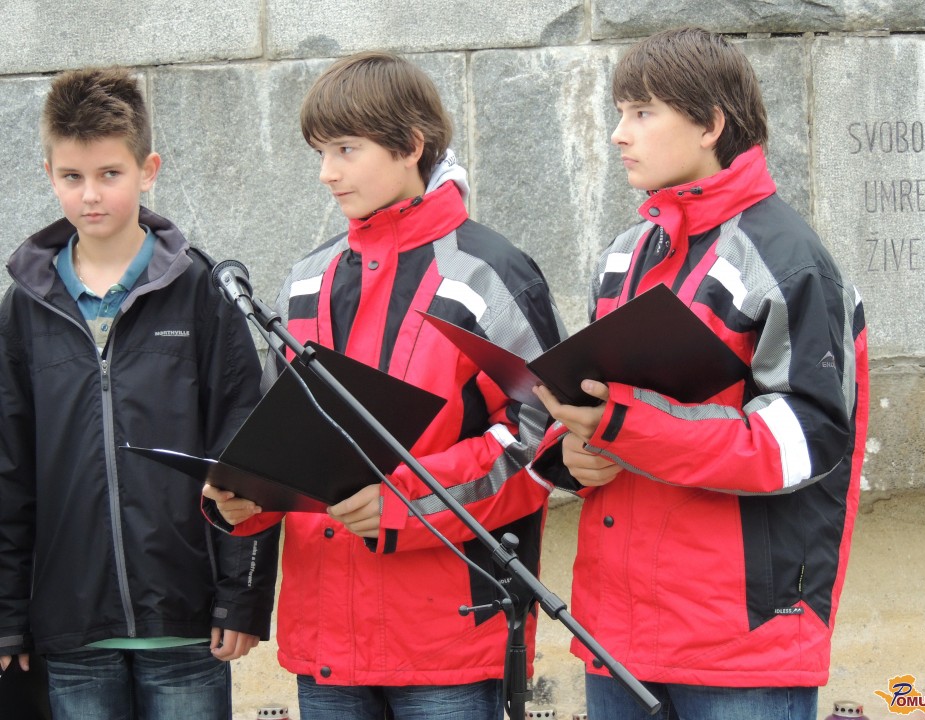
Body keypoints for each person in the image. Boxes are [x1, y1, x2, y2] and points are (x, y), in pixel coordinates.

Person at [202, 51, 565, 720]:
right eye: (320, 152)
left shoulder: (489, 274)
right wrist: (248, 496)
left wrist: (409, 502)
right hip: (327, 644)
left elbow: (545, 443)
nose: (327, 172)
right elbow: (289, 441)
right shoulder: (305, 281)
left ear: (411, 146)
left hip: (448, 641)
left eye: (346, 149)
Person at [530, 27, 870, 720]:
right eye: (620, 112)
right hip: (616, 636)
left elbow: (804, 444)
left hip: (742, 643)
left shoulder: (790, 259)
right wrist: (574, 452)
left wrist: (624, 426)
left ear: (711, 125)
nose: (619, 134)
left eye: (642, 112)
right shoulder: (626, 253)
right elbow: (602, 404)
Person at [0, 66, 280, 720]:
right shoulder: (24, 307)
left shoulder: (204, 290)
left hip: (185, 623)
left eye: (110, 174)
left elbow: (245, 448)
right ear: (49, 175)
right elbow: (9, 472)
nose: (90, 195)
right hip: (72, 626)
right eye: (72, 177)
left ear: (148, 169)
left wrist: (240, 597)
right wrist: (8, 613)